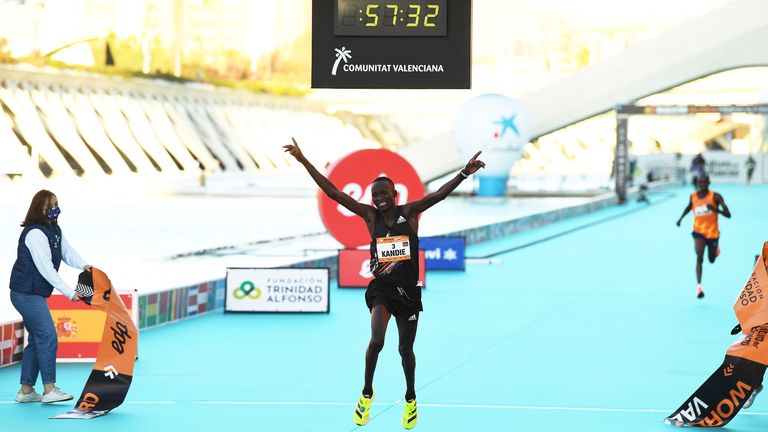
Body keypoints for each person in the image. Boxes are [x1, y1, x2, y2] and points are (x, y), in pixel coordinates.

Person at [283, 138, 485, 429]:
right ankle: (366, 393)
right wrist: (303, 160)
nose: (379, 198)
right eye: (375, 194)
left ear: (395, 193)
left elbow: (440, 194)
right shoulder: (370, 215)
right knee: (376, 340)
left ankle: (410, 397)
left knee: (405, 350)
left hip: (409, 293)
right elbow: (333, 192)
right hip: (382, 289)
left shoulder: (411, 212)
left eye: (384, 193)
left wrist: (464, 173)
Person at [9, 190, 92, 403]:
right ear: (40, 208)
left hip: (33, 292)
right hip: (26, 293)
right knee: (47, 336)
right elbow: (46, 268)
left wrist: (84, 265)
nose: (56, 207)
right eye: (51, 204)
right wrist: (69, 292)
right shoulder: (35, 233)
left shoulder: (54, 229)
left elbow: (67, 252)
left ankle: (26, 391)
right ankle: (49, 389)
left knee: (37, 338)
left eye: (57, 203)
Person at [675, 174, 731, 298]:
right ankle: (699, 287)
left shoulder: (716, 197)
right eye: (701, 182)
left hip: (713, 234)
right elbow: (688, 207)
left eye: (705, 182)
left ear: (709, 183)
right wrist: (680, 219)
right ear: (698, 183)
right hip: (698, 232)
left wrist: (716, 210)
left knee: (711, 260)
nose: (703, 184)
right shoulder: (693, 196)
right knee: (699, 256)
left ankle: (715, 250)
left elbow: (728, 214)